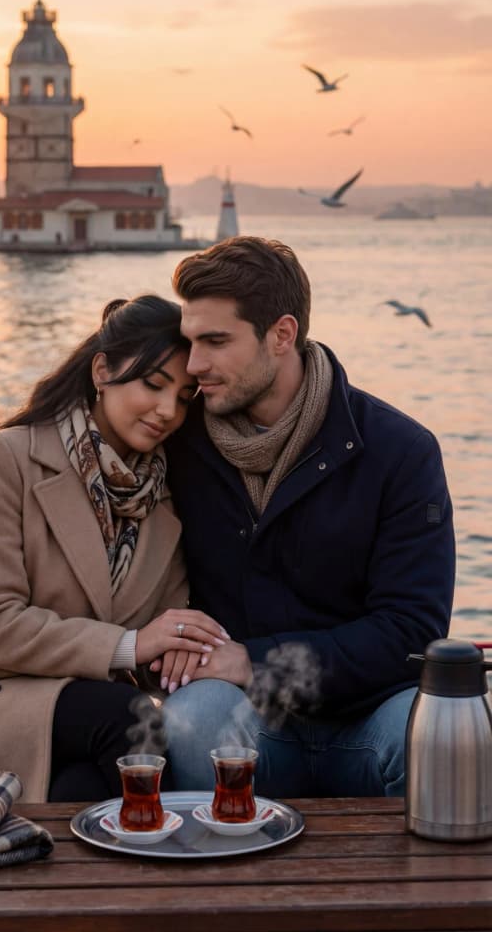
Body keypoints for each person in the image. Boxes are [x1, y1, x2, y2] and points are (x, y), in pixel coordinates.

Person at [0, 295, 229, 803]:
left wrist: (179, 645)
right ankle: (185, 869)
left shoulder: (162, 501)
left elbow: (164, 627)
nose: (167, 411)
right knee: (129, 722)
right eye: (153, 385)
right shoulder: (7, 460)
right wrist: (131, 643)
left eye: (183, 398)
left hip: (81, 714)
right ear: (101, 370)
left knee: (87, 789)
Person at [157, 236, 455, 797]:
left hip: (372, 719)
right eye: (190, 342)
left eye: (216, 342)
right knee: (193, 716)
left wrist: (257, 661)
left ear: (282, 335)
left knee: (436, 730)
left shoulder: (399, 449)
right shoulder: (179, 442)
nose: (195, 365)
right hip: (243, 721)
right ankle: (235, 882)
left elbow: (412, 631)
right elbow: (90, 492)